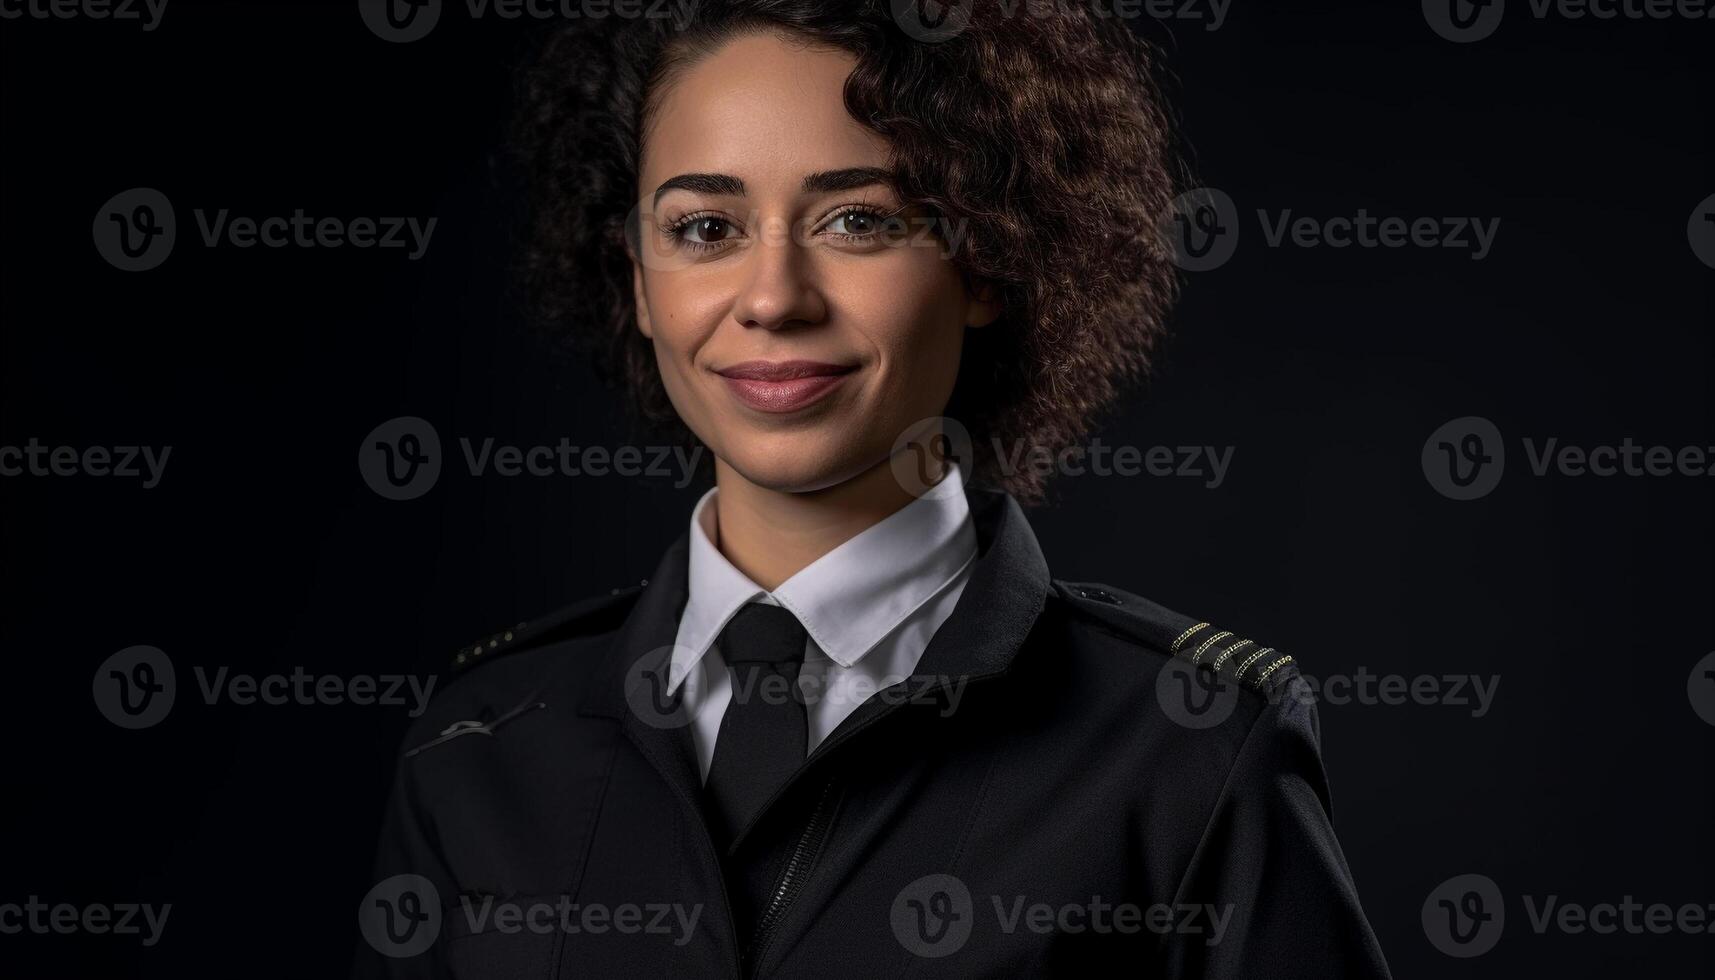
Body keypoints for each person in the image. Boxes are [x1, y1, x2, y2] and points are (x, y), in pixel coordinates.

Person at [355, 2, 1392, 976]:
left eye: (856, 219)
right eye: (703, 228)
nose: (771, 298)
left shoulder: (1192, 746)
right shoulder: (479, 742)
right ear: (634, 276)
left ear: (985, 259)